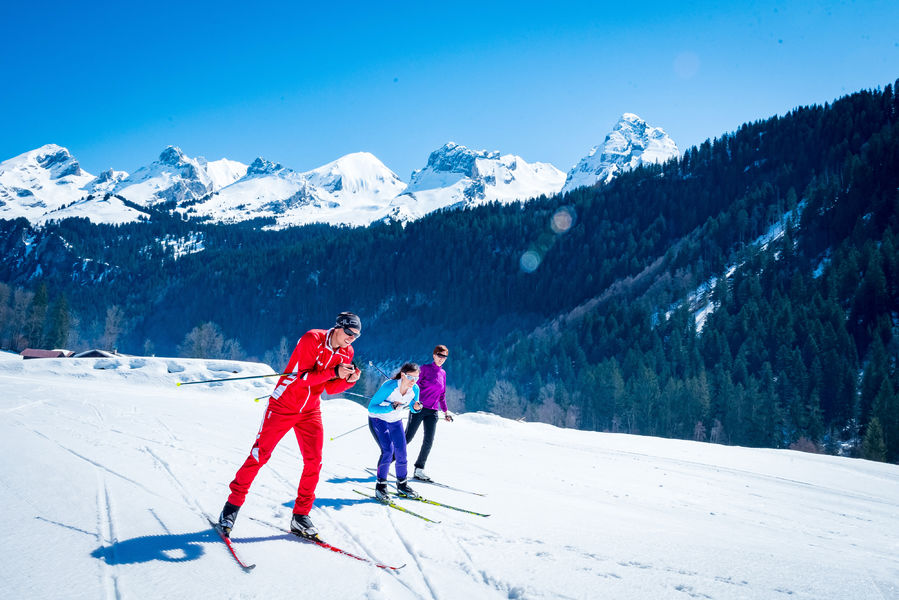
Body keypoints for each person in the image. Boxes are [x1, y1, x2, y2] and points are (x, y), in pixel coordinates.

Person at [217, 312, 362, 538]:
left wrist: (347, 381)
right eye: (349, 332)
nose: (352, 338)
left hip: (310, 410)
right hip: (284, 405)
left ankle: (301, 516)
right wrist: (334, 372)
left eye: (357, 335)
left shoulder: (347, 352)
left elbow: (329, 388)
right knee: (260, 455)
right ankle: (231, 508)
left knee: (314, 462)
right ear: (338, 327)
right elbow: (304, 377)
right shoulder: (311, 339)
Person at [368, 363, 423, 502]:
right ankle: (380, 486)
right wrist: (390, 407)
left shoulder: (415, 389)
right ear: (403, 375)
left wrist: (416, 407)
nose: (413, 381)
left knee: (401, 451)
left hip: (395, 421)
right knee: (388, 451)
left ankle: (402, 485)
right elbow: (371, 407)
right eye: (410, 377)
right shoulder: (389, 386)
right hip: (378, 419)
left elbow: (412, 406)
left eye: (416, 378)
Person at [405, 345, 452, 482]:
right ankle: (387, 460)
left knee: (428, 441)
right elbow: (414, 386)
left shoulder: (443, 373)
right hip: (418, 408)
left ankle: (419, 469)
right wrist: (413, 401)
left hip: (432, 411)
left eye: (444, 356)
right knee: (407, 437)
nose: (441, 358)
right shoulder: (425, 369)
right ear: (434, 355)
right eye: (439, 355)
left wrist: (446, 411)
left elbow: (442, 395)